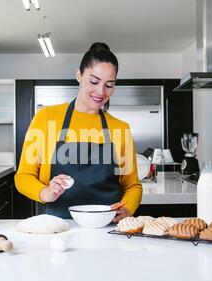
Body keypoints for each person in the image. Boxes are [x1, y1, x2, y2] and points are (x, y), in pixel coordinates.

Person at [15, 42, 142, 222]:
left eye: (109, 85)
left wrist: (127, 209)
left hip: (106, 230)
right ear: (79, 76)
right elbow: (23, 177)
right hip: (57, 228)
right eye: (94, 81)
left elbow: (133, 186)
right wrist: (44, 193)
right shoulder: (46, 118)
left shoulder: (120, 128)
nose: (100, 91)